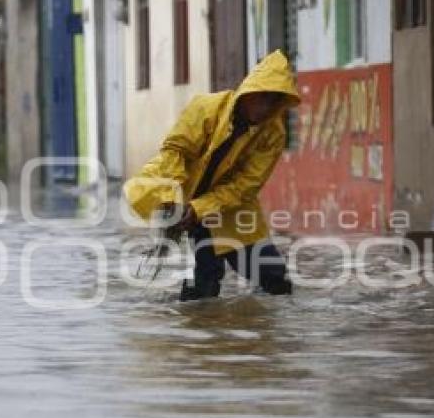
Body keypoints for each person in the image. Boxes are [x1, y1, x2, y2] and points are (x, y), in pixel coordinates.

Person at [124, 50, 302, 301]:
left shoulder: (274, 134)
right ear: (248, 92)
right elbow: (176, 150)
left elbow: (245, 186)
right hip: (183, 194)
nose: (265, 108)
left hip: (230, 208)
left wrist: (199, 209)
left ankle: (255, 328)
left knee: (274, 277)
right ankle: (197, 333)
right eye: (262, 98)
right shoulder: (206, 108)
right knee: (205, 284)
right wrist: (174, 201)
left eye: (273, 102)